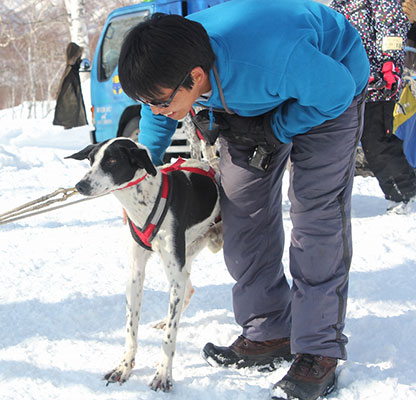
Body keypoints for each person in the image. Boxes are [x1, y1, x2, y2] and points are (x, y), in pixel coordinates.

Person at [117, 1, 370, 399]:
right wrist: (141, 173)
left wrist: (279, 126)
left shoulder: (270, 56)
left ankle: (317, 350)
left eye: (162, 101)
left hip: (329, 86)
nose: (157, 111)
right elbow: (157, 121)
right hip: (252, 101)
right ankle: (268, 330)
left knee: (314, 213)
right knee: (241, 210)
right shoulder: (174, 62)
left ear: (195, 77)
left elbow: (336, 90)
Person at [330, 0, 416, 214]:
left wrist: (389, 65)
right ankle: (330, 196)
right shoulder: (341, 4)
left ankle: (406, 194)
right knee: (339, 142)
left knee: (378, 141)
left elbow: (392, 29)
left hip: (378, 83)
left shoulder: (381, 1)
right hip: (351, 82)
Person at [53, 42, 88, 129]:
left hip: (72, 122)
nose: (80, 57)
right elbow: (68, 98)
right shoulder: (70, 71)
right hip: (70, 122)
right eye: (78, 55)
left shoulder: (73, 68)